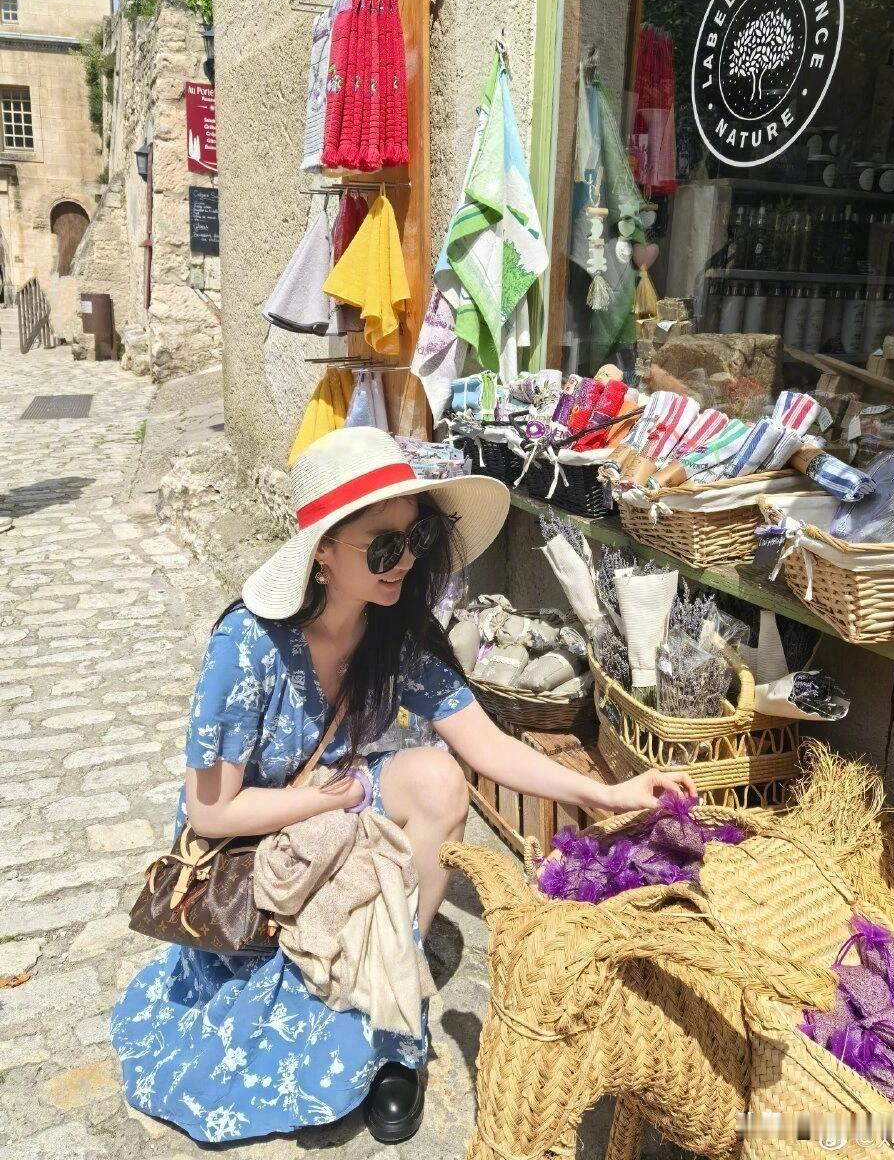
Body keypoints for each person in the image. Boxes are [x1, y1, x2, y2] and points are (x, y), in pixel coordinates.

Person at [111, 426, 696, 1146]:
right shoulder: (247, 648)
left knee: (439, 778)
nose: (407, 560)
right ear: (323, 552)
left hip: (332, 812)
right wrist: (325, 800)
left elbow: (485, 746)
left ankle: (394, 1004)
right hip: (252, 841)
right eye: (383, 546)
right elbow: (211, 811)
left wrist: (610, 794)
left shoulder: (392, 635)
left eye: (415, 538)